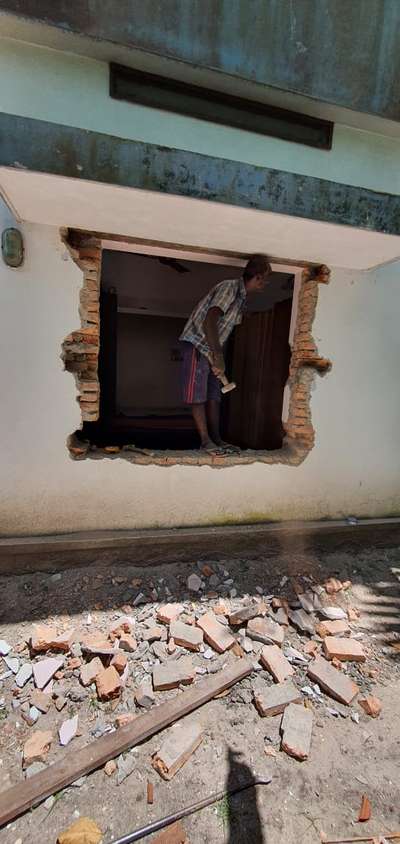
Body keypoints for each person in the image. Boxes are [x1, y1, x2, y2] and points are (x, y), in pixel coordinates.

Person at [180, 254, 271, 454]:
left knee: (214, 395)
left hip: (212, 349)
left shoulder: (241, 299)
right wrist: (218, 356)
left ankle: (217, 439)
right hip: (198, 345)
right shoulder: (229, 288)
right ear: (257, 277)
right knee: (198, 394)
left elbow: (223, 330)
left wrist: (217, 358)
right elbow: (210, 320)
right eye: (265, 278)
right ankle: (205, 441)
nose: (265, 284)